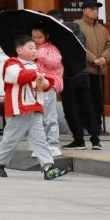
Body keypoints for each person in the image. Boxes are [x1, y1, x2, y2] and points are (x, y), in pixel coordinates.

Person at [0, 36, 67, 180]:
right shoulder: (12, 63)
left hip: (34, 109)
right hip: (19, 110)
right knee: (10, 140)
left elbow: (41, 84)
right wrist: (36, 75)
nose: (34, 51)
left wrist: (45, 83)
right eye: (30, 48)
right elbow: (16, 76)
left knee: (40, 140)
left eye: (35, 48)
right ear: (19, 50)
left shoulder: (35, 66)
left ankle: (48, 167)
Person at [47, 8, 99, 152]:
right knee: (88, 106)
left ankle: (79, 140)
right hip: (83, 72)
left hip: (67, 75)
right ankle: (96, 140)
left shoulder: (56, 34)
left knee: (71, 108)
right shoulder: (77, 30)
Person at [76, 0, 110, 139]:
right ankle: (85, 126)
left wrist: (103, 58)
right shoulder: (77, 26)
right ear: (84, 11)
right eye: (92, 9)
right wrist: (93, 59)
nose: (95, 11)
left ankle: (97, 126)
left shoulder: (101, 29)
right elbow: (78, 46)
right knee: (85, 100)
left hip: (99, 70)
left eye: (96, 9)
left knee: (98, 100)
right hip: (84, 71)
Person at [30, 26, 64, 157]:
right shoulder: (31, 48)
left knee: (49, 116)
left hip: (48, 87)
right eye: (34, 37)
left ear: (46, 36)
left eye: (39, 37)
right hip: (34, 87)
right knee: (36, 118)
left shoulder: (52, 49)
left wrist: (39, 55)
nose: (36, 40)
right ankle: (40, 145)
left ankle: (53, 144)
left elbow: (55, 63)